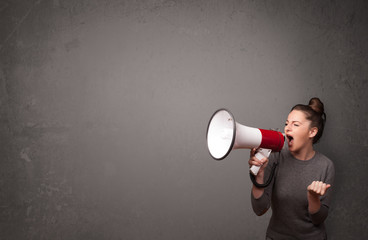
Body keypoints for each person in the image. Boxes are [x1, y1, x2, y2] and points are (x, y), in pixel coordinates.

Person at [249, 98, 335, 240]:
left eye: (295, 125)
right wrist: (259, 174)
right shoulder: (275, 158)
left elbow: (318, 219)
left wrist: (313, 198)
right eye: (286, 123)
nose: (287, 128)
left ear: (312, 132)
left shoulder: (326, 165)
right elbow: (259, 209)